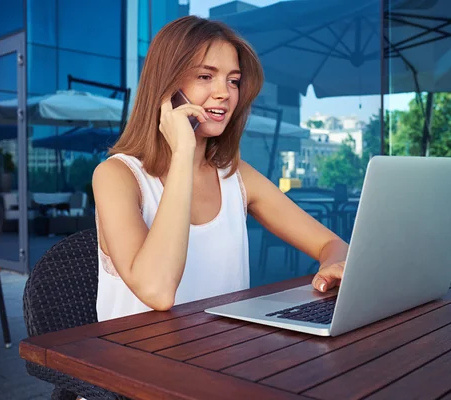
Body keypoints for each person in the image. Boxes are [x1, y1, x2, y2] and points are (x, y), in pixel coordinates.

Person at [92, 15, 348, 322]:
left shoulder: (236, 175)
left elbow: (333, 244)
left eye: (233, 80)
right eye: (205, 77)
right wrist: (183, 152)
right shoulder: (116, 176)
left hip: (225, 356)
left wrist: (334, 266)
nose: (224, 93)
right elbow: (157, 291)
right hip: (136, 364)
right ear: (166, 85)